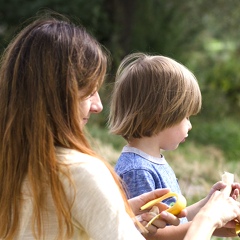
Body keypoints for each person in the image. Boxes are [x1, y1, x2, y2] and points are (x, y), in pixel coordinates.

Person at [0, 13, 183, 240]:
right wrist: (209, 220)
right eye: (89, 92)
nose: (98, 106)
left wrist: (116, 213)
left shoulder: (12, 165)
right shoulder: (80, 172)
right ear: (59, 95)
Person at [108, 52, 240, 239]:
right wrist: (209, 220)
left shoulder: (152, 161)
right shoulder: (138, 170)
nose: (190, 125)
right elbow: (152, 234)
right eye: (185, 117)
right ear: (161, 115)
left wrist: (207, 205)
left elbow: (176, 219)